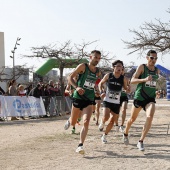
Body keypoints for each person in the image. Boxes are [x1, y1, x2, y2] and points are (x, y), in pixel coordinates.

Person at [64, 50, 101, 154]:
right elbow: (70, 77)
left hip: (89, 99)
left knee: (86, 121)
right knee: (73, 122)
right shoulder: (83, 66)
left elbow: (94, 84)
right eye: (95, 57)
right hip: (78, 97)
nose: (97, 60)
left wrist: (97, 92)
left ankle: (80, 145)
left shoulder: (98, 71)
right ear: (90, 57)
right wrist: (77, 87)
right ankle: (70, 120)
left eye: (99, 58)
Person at [123, 50, 160, 151]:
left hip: (150, 98)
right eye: (152, 58)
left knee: (150, 116)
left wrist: (155, 90)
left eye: (156, 58)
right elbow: (133, 80)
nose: (154, 60)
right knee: (132, 119)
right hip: (140, 97)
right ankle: (125, 133)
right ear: (147, 57)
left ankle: (141, 141)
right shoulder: (142, 67)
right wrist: (144, 79)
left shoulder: (157, 70)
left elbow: (154, 83)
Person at [98, 60, 130, 143]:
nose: (120, 68)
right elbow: (100, 84)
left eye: (121, 67)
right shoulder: (109, 75)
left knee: (112, 121)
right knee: (106, 116)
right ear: (114, 67)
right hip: (107, 100)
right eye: (118, 66)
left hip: (116, 102)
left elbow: (126, 89)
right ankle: (102, 121)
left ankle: (104, 135)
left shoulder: (123, 78)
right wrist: (102, 91)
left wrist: (128, 89)